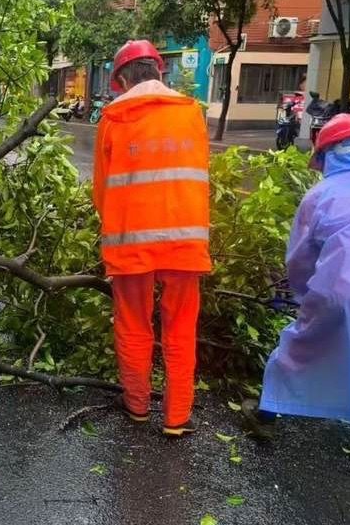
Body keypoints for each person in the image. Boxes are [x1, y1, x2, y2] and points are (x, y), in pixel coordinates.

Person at [93, 39, 211, 437]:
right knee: (180, 328)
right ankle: (177, 418)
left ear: (122, 80)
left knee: (133, 325)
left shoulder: (114, 117)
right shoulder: (191, 113)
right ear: (161, 71)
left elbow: (101, 190)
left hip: (130, 243)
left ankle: (138, 406)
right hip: (185, 243)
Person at [243, 114, 350, 440]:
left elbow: (301, 258)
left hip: (341, 290)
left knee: (298, 345)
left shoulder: (322, 194)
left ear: (327, 154)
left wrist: (302, 298)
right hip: (349, 289)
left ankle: (266, 414)